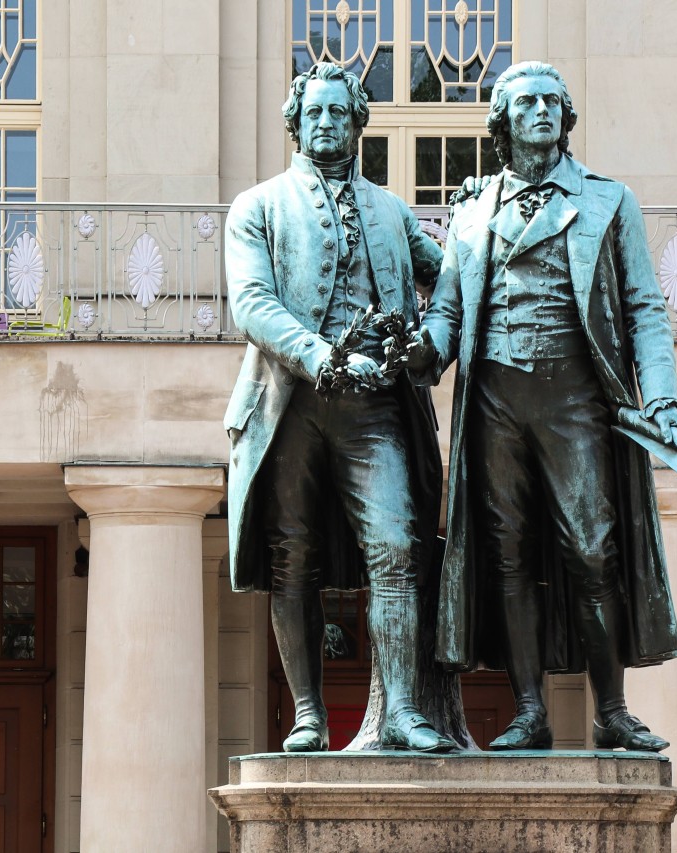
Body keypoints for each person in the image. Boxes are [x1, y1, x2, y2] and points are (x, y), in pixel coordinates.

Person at [414, 61, 677, 752]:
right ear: (503, 121)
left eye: (551, 101)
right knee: (506, 556)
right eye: (525, 102)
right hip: (496, 401)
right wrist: (423, 353)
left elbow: (644, 308)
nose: (540, 110)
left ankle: (614, 709)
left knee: (593, 550)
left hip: (574, 398)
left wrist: (661, 394)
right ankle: (529, 708)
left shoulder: (607, 200)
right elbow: (448, 309)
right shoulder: (473, 210)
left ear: (565, 117)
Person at [223, 62, 452, 753]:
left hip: (377, 405)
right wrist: (320, 356)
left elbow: (452, 281)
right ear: (295, 124)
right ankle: (308, 713)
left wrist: (431, 344)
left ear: (359, 124)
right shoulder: (256, 206)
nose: (326, 123)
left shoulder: (393, 211)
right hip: (288, 403)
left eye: (339, 113)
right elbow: (252, 303)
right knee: (293, 558)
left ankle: (404, 712)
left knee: (396, 545)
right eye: (314, 113)